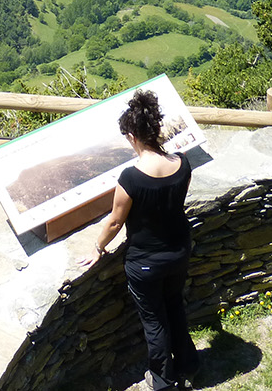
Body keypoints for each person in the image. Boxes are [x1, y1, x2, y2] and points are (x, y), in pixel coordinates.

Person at [82, 89, 199, 390]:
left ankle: (162, 380)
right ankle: (188, 363)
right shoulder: (182, 163)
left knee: (154, 321)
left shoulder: (130, 178)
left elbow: (115, 221)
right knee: (175, 306)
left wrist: (98, 247)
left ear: (133, 136)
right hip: (179, 250)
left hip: (146, 261)